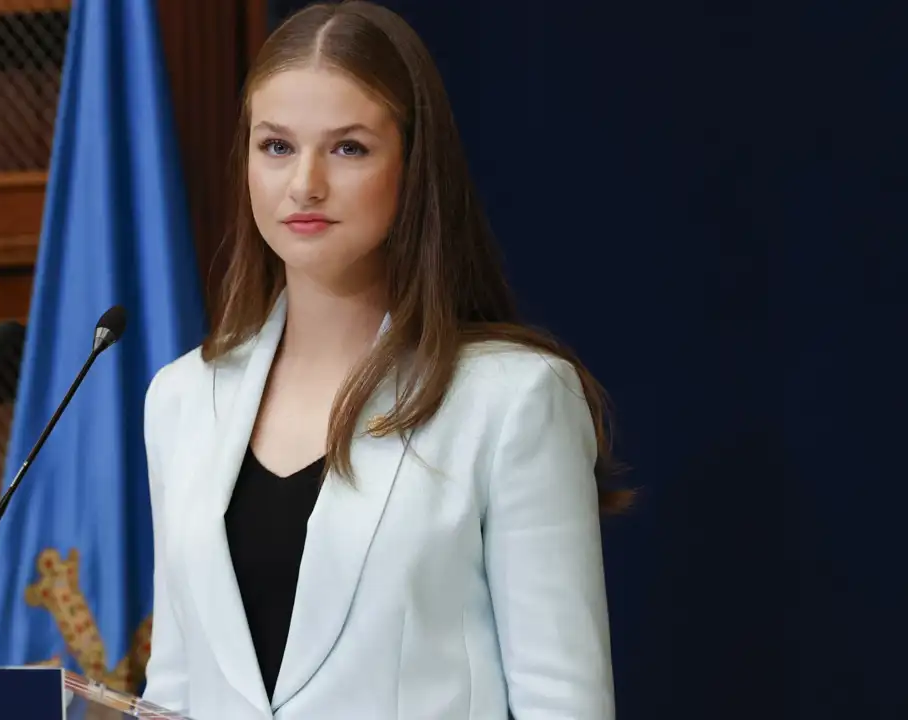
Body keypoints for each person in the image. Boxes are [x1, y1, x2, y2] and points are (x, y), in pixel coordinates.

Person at [141, 2, 629, 718]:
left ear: (414, 164)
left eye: (348, 148)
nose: (304, 183)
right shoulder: (182, 398)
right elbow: (176, 692)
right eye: (276, 146)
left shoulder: (513, 398)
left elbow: (564, 702)